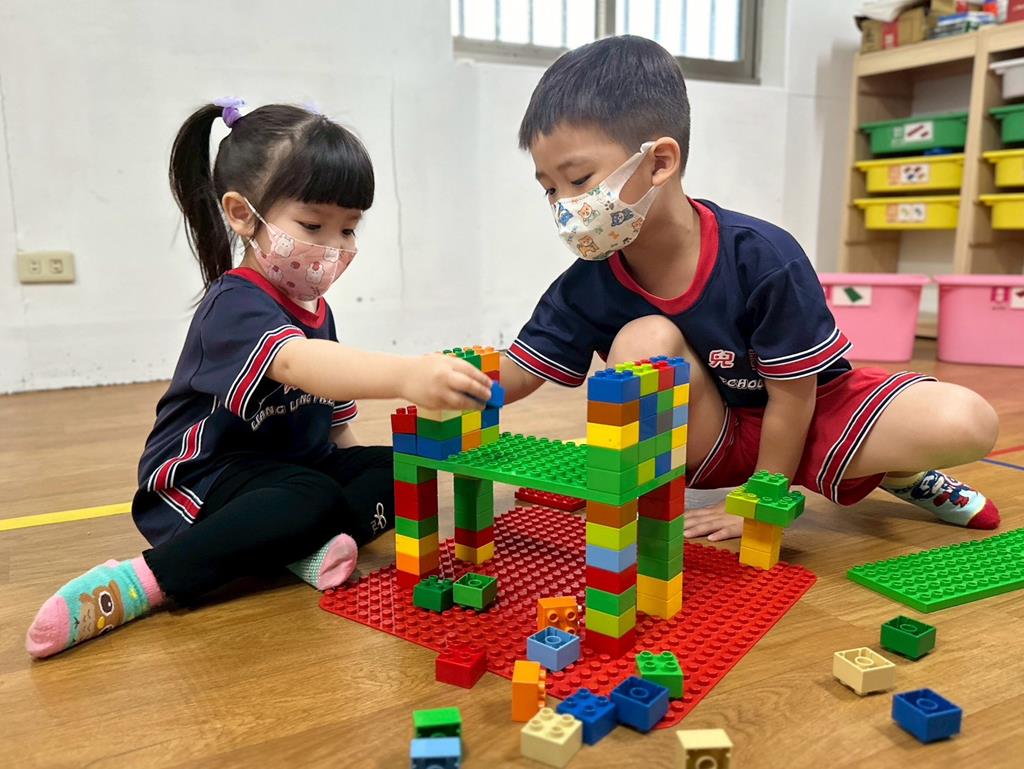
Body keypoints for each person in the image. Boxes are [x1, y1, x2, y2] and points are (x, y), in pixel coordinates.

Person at [26, 100, 493, 658]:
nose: (335, 247)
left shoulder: (317, 309)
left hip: (292, 472)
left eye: (348, 228)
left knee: (403, 468)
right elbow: (296, 363)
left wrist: (364, 474)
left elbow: (334, 417)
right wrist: (407, 374)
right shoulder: (234, 303)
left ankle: (300, 544)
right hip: (203, 481)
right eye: (313, 225)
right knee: (312, 497)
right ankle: (144, 581)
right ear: (242, 214)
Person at [499, 36, 1000, 541]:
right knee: (643, 340)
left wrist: (761, 496)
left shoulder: (762, 255)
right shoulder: (587, 283)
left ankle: (893, 469)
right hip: (711, 436)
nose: (565, 206)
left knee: (966, 420)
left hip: (806, 415)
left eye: (580, 179)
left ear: (659, 162)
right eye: (550, 189)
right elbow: (519, 371)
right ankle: (851, 464)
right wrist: (458, 380)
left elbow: (796, 395)